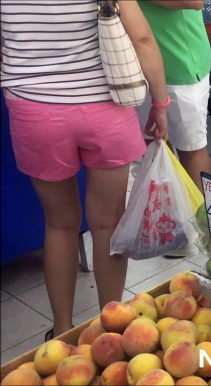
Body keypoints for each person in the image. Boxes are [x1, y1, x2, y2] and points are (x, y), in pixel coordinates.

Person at [0, 0, 169, 338]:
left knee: (59, 225)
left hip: (34, 111)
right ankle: (112, 328)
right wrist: (161, 104)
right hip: (105, 107)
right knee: (108, 224)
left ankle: (62, 328)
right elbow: (143, 40)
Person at [136, 0, 211, 257]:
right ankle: (173, 229)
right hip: (138, 69)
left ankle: (203, 231)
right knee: (156, 149)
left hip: (179, 65)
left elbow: (195, 1)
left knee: (190, 148)